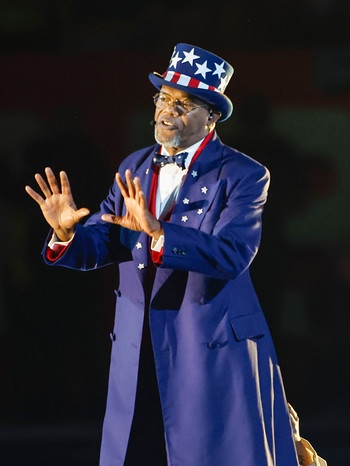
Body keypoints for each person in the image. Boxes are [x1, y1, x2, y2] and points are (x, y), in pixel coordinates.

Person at [25, 43, 299, 466]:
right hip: (140, 344)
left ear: (212, 116)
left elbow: (232, 255)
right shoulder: (134, 165)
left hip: (208, 345)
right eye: (163, 98)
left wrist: (160, 233)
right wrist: (66, 234)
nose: (167, 109)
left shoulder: (243, 174)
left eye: (183, 103)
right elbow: (106, 241)